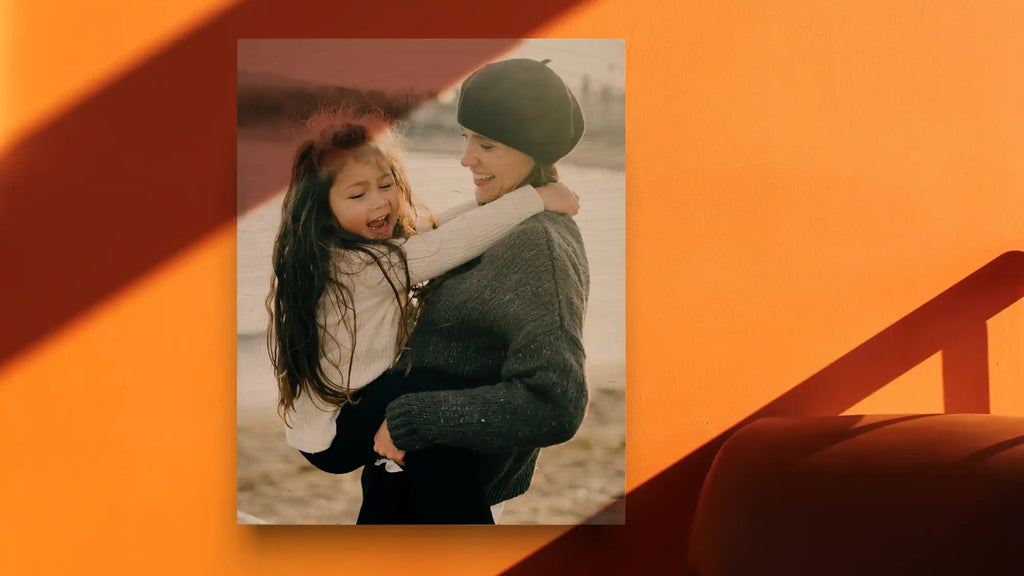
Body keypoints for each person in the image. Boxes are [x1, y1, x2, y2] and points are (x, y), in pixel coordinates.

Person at [308, 58, 591, 524]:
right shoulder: (500, 219)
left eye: (487, 144)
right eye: (465, 137)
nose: (466, 158)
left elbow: (555, 401)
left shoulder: (538, 243)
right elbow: (430, 242)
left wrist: (413, 419)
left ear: (533, 149)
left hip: (445, 485)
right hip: (405, 469)